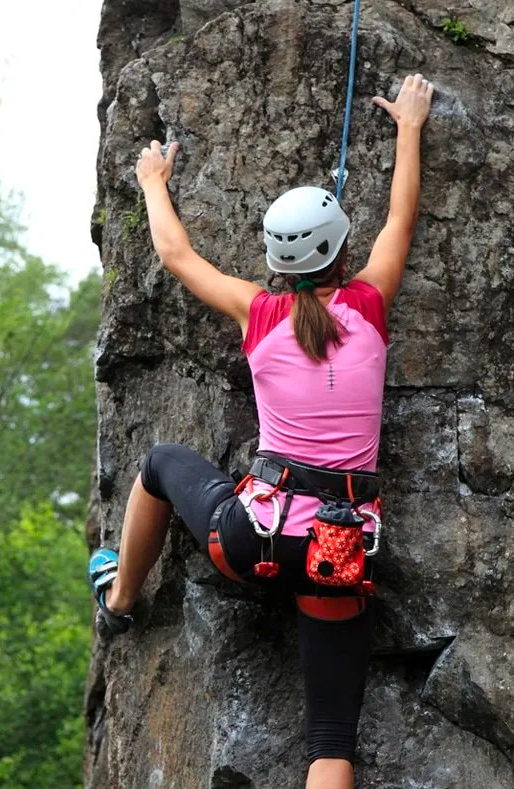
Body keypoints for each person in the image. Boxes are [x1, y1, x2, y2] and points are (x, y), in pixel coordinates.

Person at [88, 73, 434, 789]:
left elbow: (178, 256)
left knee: (158, 465)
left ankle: (120, 598)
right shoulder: (370, 304)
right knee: (331, 740)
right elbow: (401, 220)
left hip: (254, 538)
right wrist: (408, 127)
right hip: (337, 551)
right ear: (342, 251)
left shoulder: (260, 315)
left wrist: (155, 180)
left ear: (275, 262)